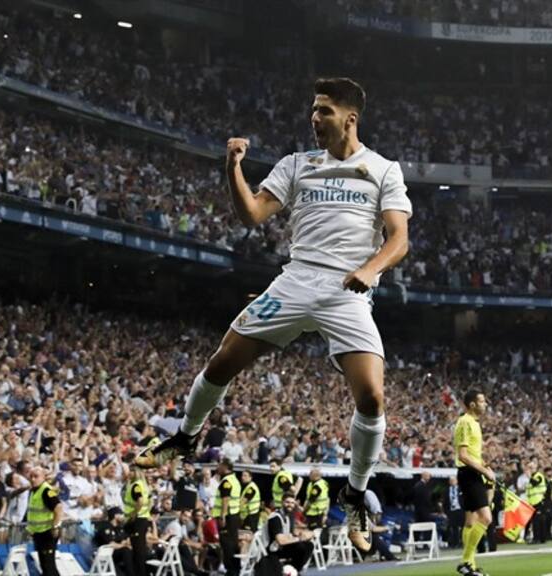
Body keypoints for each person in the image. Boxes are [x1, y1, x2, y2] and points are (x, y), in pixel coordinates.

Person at [136, 77, 412, 554]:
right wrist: (232, 167)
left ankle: (354, 492)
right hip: (296, 280)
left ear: (350, 118)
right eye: (313, 109)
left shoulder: (383, 170)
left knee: (371, 396)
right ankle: (185, 437)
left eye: (323, 110)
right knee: (223, 361)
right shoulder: (296, 165)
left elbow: (399, 239)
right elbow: (253, 214)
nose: (314, 118)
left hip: (348, 290)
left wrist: (370, 269)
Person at [454, 390, 495, 576]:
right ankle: (465, 561)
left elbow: (471, 454)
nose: (485, 404)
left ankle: (469, 564)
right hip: (469, 474)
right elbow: (462, 456)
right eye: (482, 401)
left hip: (474, 472)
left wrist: (485, 466)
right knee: (486, 518)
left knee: (471, 521)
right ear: (472, 404)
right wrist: (483, 470)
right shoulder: (465, 422)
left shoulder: (475, 424)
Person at [26, 466, 63, 576]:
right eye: (31, 476)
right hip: (39, 533)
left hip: (47, 533)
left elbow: (58, 508)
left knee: (48, 565)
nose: (33, 479)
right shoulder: (34, 491)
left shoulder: (46, 491)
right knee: (44, 565)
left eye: (36, 476)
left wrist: (56, 526)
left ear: (43, 477)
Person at [263, 492, 313, 571]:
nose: (290, 505)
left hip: (281, 547)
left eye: (292, 503)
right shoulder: (275, 517)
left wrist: (305, 534)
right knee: (301, 547)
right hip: (273, 550)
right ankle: (291, 570)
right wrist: (299, 539)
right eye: (287, 502)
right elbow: (281, 541)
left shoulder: (287, 516)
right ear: (282, 502)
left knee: (309, 545)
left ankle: (293, 570)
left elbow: (291, 533)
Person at [213, 459, 241, 576]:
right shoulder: (234, 479)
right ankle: (235, 568)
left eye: (219, 465)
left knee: (227, 544)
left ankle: (231, 570)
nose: (218, 467)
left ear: (225, 467)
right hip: (234, 515)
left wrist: (222, 516)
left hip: (228, 517)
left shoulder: (226, 482)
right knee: (233, 543)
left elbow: (225, 500)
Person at [123, 466, 151, 576]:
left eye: (131, 471)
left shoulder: (136, 486)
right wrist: (146, 511)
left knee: (138, 550)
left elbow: (139, 501)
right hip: (143, 518)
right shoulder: (144, 485)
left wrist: (133, 514)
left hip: (137, 520)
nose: (129, 473)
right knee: (141, 548)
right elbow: (151, 501)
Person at [93, 507, 134, 576]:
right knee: (126, 550)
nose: (123, 517)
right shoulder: (105, 527)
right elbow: (111, 544)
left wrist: (123, 543)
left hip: (116, 554)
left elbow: (127, 540)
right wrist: (122, 544)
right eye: (121, 514)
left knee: (133, 550)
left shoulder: (119, 528)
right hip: (105, 555)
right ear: (115, 516)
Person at [444, 476, 464, 548]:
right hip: (452, 511)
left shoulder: (461, 489)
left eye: (454, 480)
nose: (452, 482)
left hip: (460, 510)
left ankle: (463, 541)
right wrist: (446, 512)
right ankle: (455, 543)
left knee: (463, 526)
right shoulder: (446, 490)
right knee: (454, 527)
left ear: (457, 481)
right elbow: (445, 502)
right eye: (451, 481)